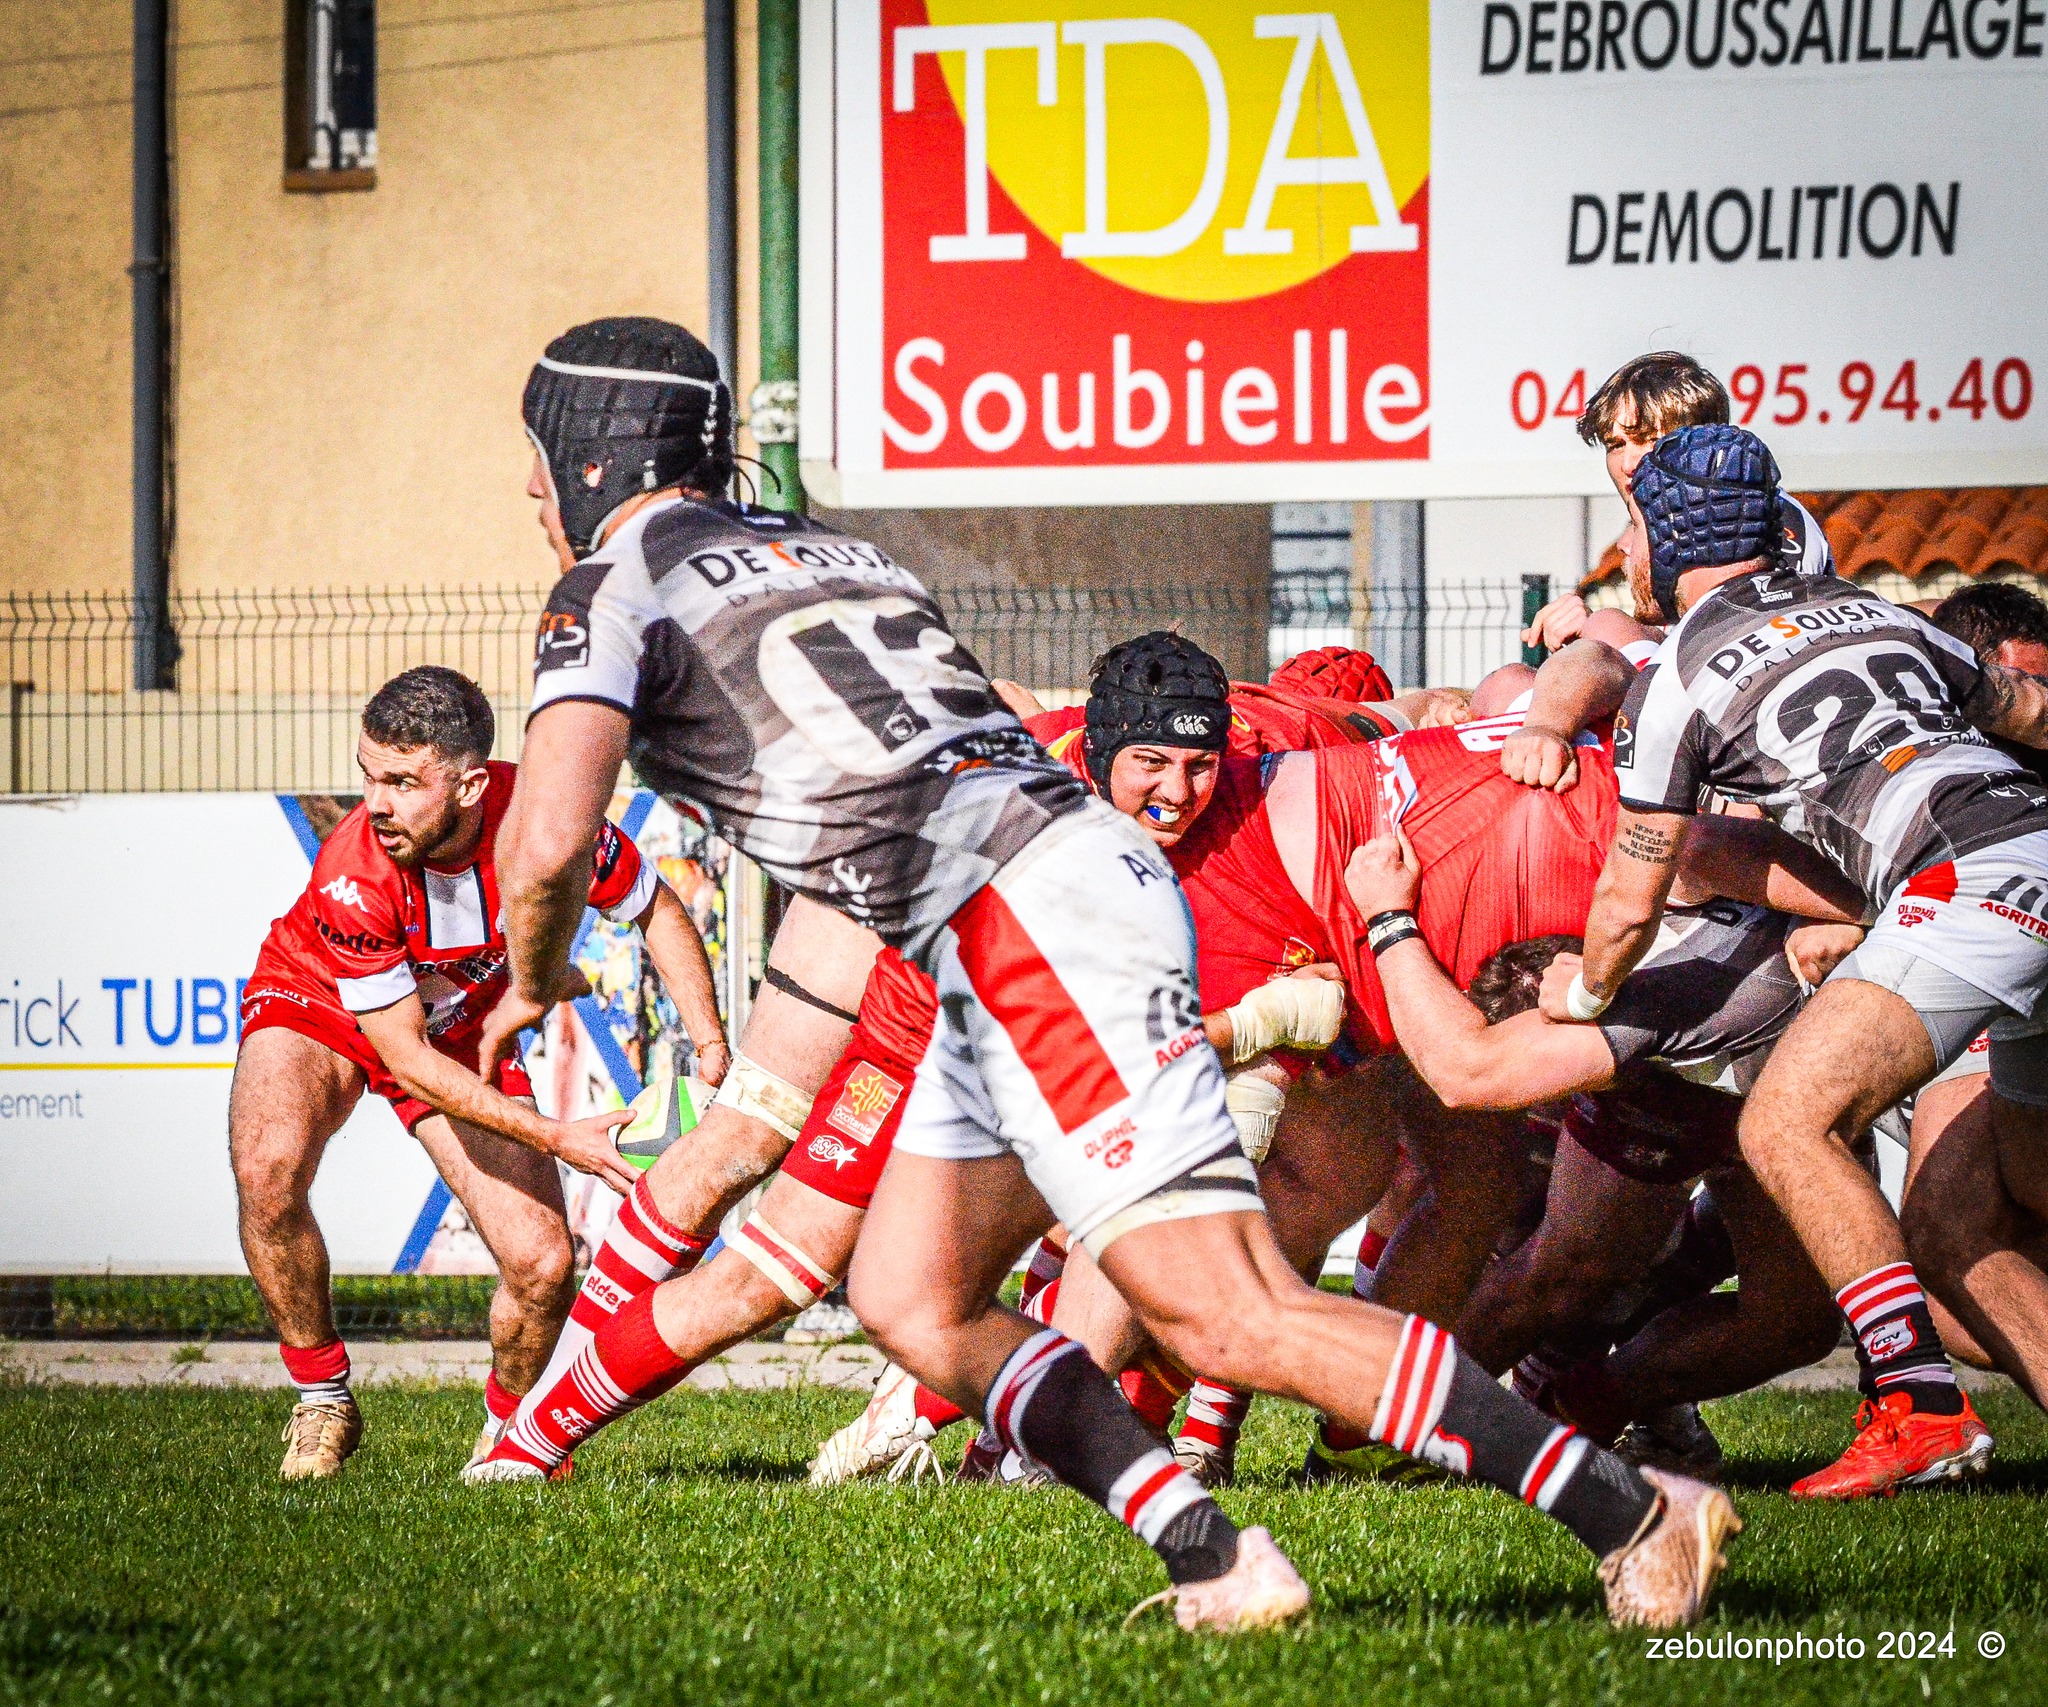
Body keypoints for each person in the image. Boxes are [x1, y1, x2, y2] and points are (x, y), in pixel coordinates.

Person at [475, 314, 1735, 1633]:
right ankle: (1212, 1555)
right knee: (908, 1296)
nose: (527, 487)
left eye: (533, 451)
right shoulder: (823, 545)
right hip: (1016, 913)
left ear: (590, 451)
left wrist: (532, 974)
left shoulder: (611, 582)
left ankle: (1634, 1511)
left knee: (1234, 1315)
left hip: (1029, 924)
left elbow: (553, 834)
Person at [1563, 422, 2048, 1498]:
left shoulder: (1677, 672)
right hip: (2027, 844)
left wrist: (1585, 989)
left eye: (1632, 523)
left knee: (1783, 1119)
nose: (1624, 548)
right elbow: (2027, 713)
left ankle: (1913, 1405)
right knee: (1960, 1224)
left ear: (1666, 531)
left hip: (1966, 883)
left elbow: (1628, 893)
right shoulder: (1877, 611)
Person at [231, 666, 726, 1479]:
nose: (375, 802)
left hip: (457, 1028)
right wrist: (556, 1135)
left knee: (544, 1264)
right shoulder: (353, 870)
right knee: (267, 1165)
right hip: (321, 998)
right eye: (367, 774)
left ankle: (508, 1438)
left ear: (467, 784)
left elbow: (659, 909)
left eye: (401, 781)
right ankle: (322, 1396)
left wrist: (711, 1050)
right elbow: (404, 1061)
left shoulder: (544, 823)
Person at [1346, 827, 1865, 1466]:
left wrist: (1863, 922)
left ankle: (1582, 1397)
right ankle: (1390, 1430)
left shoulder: (1721, 840)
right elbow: (1465, 1079)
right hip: (1687, 1067)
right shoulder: (1637, 968)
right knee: (1568, 1264)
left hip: (1781, 1060)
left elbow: (1709, 844)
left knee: (1796, 1324)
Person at [1520, 350, 1833, 659]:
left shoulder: (1767, 517)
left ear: (1700, 439)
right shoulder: (1654, 527)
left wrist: (1612, 636)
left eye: (1647, 440)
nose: (1629, 463)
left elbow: (1755, 649)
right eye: (1616, 445)